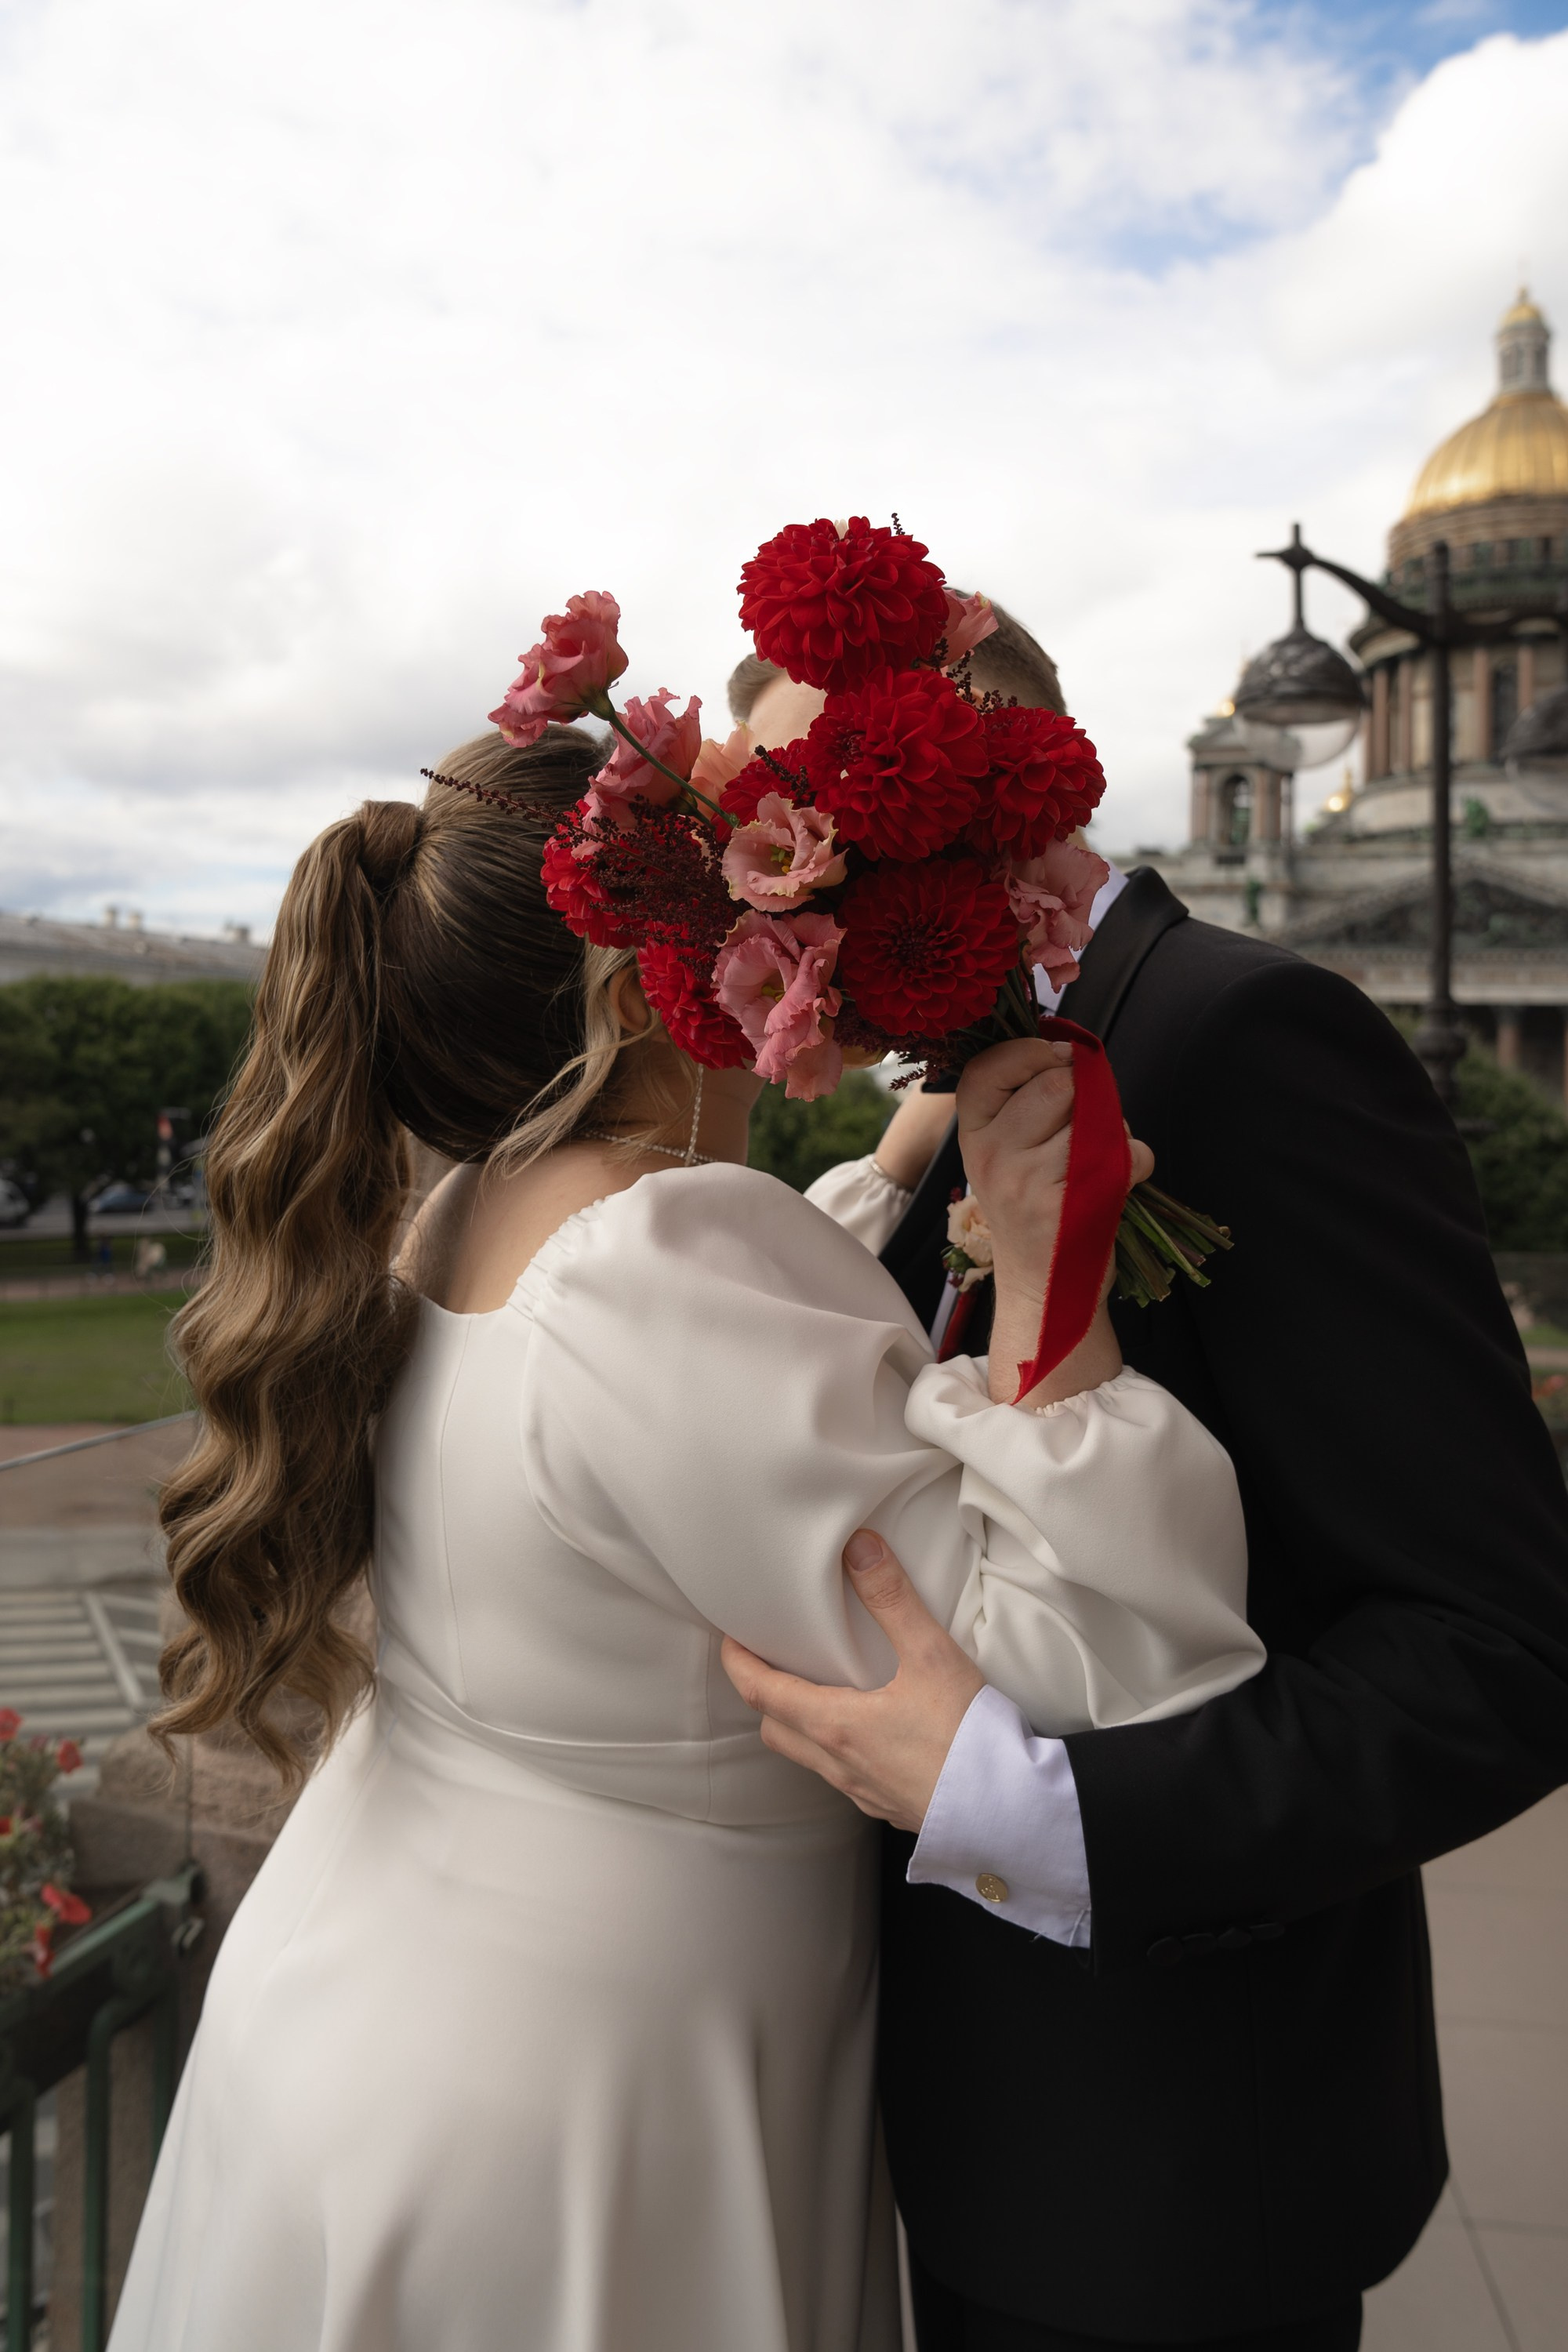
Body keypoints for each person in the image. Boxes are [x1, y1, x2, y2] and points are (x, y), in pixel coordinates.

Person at [109, 722, 1264, 2352]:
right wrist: (1042, 1297)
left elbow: (687, 1400)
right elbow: (1102, 1658)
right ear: (646, 978)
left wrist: (890, 1172)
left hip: (375, 2013)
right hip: (596, 2101)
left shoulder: (470, 1211)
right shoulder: (660, 1259)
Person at [724, 630, 1568, 2349]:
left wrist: (1036, 1809)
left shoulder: (1249, 1036)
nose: (770, 904)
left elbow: (1501, 1649)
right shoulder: (977, 1061)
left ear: (959, 788)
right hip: (969, 2129)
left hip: (1174, 2165)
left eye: (802, 826)